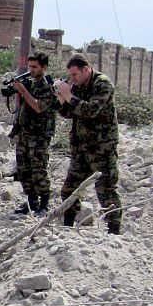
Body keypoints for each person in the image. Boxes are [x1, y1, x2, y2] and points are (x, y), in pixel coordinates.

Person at [54, 53, 122, 235]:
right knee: (69, 190)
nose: (72, 79)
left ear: (86, 69)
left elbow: (91, 110)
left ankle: (114, 231)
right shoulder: (77, 86)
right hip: (81, 147)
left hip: (102, 147)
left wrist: (69, 95)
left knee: (106, 190)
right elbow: (69, 113)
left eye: (75, 75)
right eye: (70, 76)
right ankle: (67, 228)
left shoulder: (103, 84)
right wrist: (61, 98)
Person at [9, 52, 57, 216]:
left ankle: (43, 204)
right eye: (30, 66)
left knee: (39, 169)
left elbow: (38, 107)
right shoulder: (30, 84)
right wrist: (18, 92)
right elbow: (23, 106)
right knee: (24, 169)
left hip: (39, 135)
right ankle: (31, 201)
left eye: (35, 67)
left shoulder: (49, 87)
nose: (32, 70)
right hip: (25, 132)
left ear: (44, 67)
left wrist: (24, 91)